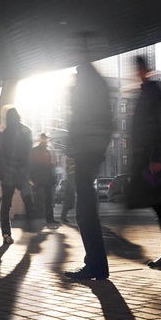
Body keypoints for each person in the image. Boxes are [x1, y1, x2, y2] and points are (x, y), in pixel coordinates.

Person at [126, 56, 161, 270]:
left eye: (137, 68)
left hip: (151, 160)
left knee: (159, 204)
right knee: (158, 205)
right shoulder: (145, 91)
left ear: (144, 68)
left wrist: (155, 158)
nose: (135, 72)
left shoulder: (150, 92)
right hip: (147, 158)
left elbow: (154, 127)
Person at [63, 57, 114, 280]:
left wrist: (83, 150)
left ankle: (96, 264)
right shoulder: (93, 81)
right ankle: (94, 261)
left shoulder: (88, 83)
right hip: (87, 153)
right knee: (85, 211)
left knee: (85, 213)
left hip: (86, 153)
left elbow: (86, 121)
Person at [0, 106, 36, 245]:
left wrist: (5, 170)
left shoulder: (3, 133)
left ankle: (6, 234)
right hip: (22, 175)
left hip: (8, 176)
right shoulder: (26, 130)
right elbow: (29, 154)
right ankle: (30, 229)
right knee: (28, 201)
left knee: (6, 205)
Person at [30, 133, 58, 224]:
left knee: (45, 198)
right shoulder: (43, 151)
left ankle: (44, 218)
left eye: (46, 139)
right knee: (44, 198)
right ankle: (46, 218)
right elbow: (38, 164)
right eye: (44, 139)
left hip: (42, 178)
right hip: (41, 177)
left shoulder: (43, 150)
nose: (45, 141)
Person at [60, 159, 76, 223]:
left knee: (69, 204)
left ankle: (63, 217)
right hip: (70, 189)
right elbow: (71, 180)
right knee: (67, 204)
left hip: (69, 189)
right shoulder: (71, 169)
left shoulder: (70, 168)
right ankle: (63, 217)